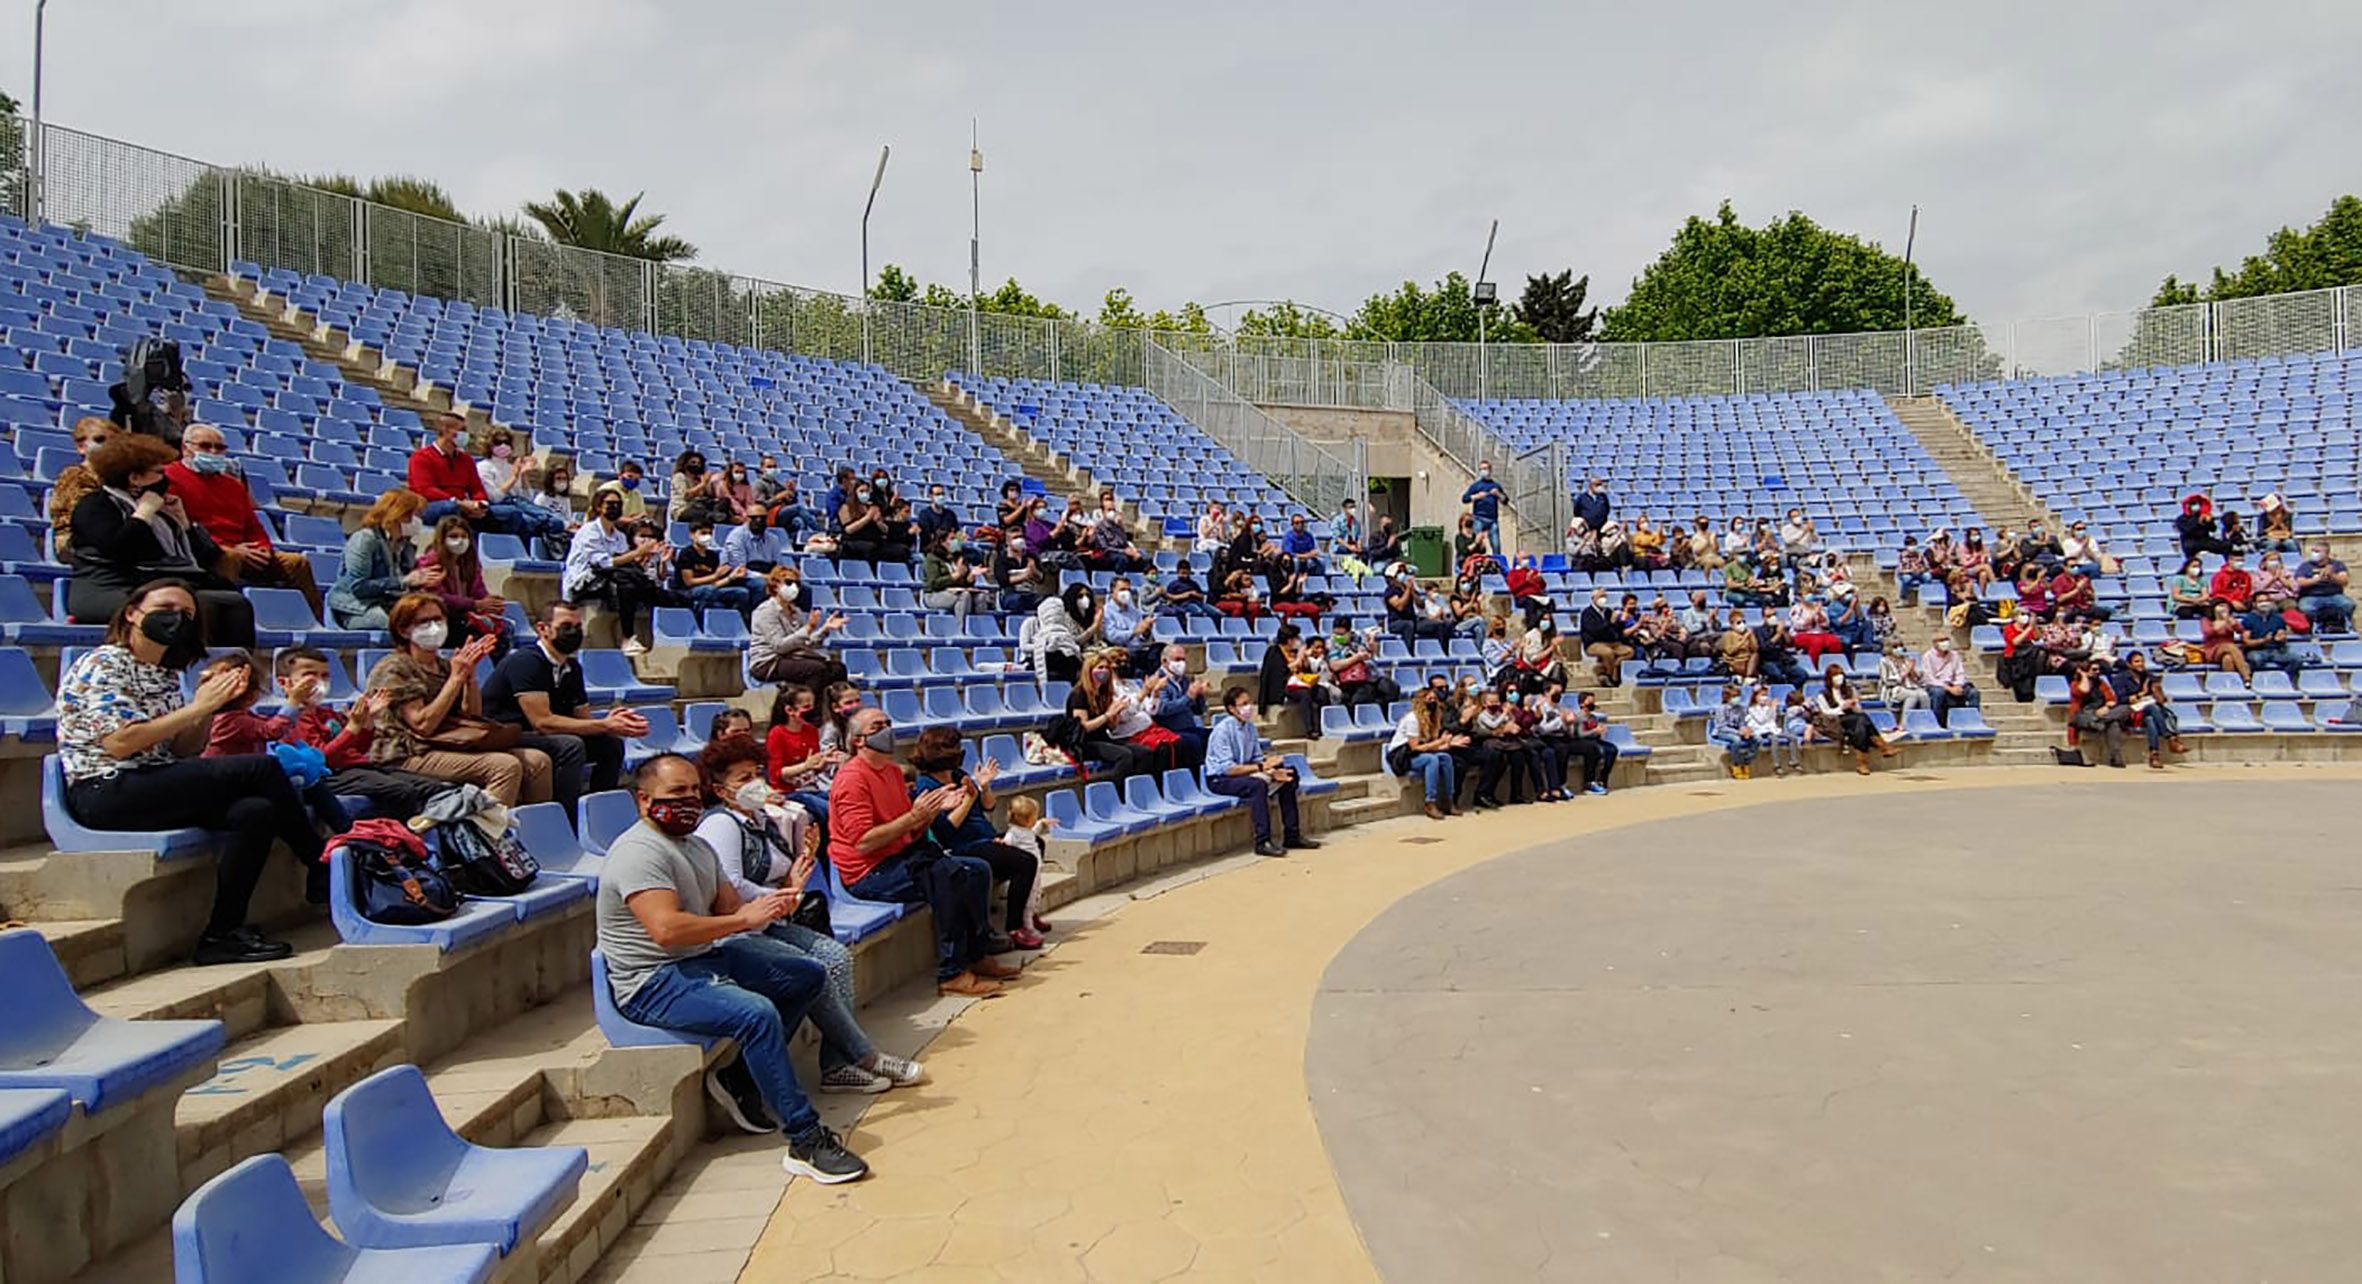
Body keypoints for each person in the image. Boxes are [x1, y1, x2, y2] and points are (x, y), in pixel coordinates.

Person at [596, 754, 869, 1181]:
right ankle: (805, 1139)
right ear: (644, 800)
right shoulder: (638, 853)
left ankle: (741, 1078)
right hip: (653, 980)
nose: (688, 800)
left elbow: (728, 906)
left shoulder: (698, 845)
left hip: (701, 957)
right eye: (675, 793)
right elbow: (666, 930)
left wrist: (785, 892)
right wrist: (744, 919)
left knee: (807, 974)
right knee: (756, 1013)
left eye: (692, 791)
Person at [56, 579, 326, 965]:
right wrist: (197, 709)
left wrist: (208, 706)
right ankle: (319, 862)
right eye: (166, 607)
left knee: (255, 812)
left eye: (186, 615)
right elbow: (120, 743)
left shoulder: (165, 672)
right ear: (133, 612)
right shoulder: (103, 663)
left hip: (154, 781)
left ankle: (222, 932)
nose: (176, 619)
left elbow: (183, 748)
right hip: (106, 787)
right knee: (261, 767)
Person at [687, 738, 927, 1096]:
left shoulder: (764, 820)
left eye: (757, 773)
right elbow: (732, 887)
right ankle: (864, 1056)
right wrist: (784, 894)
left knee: (836, 957)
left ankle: (837, 1066)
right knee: (812, 969)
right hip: (736, 930)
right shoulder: (721, 825)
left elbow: (781, 875)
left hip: (774, 921)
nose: (755, 783)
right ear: (721, 790)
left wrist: (798, 868)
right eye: (743, 778)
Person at [829, 708, 1018, 999]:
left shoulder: (892, 772)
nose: (887, 730)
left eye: (888, 723)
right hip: (869, 872)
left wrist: (930, 814)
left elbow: (912, 829)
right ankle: (952, 973)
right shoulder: (852, 780)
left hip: (902, 855)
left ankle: (976, 954)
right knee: (947, 876)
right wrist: (915, 816)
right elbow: (863, 843)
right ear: (858, 740)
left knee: (977, 870)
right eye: (878, 726)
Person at [63, 434, 255, 645]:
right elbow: (120, 549)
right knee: (197, 605)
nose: (166, 478)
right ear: (134, 478)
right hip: (107, 589)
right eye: (158, 472)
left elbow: (209, 557)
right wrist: (144, 512)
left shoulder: (162, 511)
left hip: (152, 586)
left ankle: (236, 670)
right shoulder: (96, 505)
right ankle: (190, 671)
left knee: (235, 603)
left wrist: (183, 522)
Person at [363, 593, 553, 806]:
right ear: (403, 630)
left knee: (538, 761)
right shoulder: (396, 668)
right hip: (406, 752)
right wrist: (456, 678)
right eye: (424, 622)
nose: (434, 627)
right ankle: (487, 835)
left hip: (444, 742)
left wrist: (469, 678)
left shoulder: (445, 665)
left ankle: (530, 831)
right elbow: (422, 725)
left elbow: (472, 716)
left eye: (438, 619)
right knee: (504, 766)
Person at [482, 600, 645, 816]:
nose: (574, 633)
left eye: (578, 628)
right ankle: (565, 817)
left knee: (610, 744)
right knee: (570, 746)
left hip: (540, 733)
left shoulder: (572, 667)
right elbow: (543, 723)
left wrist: (610, 723)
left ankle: (601, 812)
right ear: (543, 629)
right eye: (566, 626)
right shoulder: (527, 662)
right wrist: (603, 723)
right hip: (506, 732)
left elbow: (582, 719)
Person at [265, 645, 451, 819]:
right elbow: (321, 759)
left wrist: (367, 723)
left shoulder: (328, 714)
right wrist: (352, 728)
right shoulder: (293, 719)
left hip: (357, 768)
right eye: (310, 675)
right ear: (284, 682)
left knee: (433, 787)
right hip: (329, 775)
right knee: (401, 791)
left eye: (325, 676)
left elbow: (357, 749)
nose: (320, 682)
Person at [907, 727, 1044, 950]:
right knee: (1024, 861)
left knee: (1036, 843)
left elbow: (988, 806)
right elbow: (945, 831)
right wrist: (968, 799)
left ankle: (1030, 908)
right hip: (964, 846)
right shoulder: (927, 786)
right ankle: (1015, 926)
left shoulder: (959, 775)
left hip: (985, 837)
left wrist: (984, 786)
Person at [165, 423, 323, 616]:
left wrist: (262, 548)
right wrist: (228, 549)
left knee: (298, 563)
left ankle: (314, 622)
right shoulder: (169, 478)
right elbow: (181, 526)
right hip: (205, 550)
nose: (213, 452)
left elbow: (253, 525)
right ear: (185, 448)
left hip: (246, 551)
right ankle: (227, 623)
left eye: (220, 448)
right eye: (205, 446)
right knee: (229, 558)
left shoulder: (233, 485)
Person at [406, 412, 565, 542]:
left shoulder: (465, 460)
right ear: (447, 431)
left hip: (466, 506)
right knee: (451, 508)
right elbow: (425, 490)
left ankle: (514, 552)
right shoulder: (422, 457)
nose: (465, 434)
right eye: (461, 430)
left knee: (511, 513)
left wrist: (479, 503)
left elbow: (476, 488)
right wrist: (460, 503)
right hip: (434, 506)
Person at [1204, 686, 1317, 857]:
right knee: (1257, 786)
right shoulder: (1222, 732)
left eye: (1249, 702)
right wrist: (1262, 769)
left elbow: (1257, 758)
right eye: (1243, 704)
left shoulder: (1250, 727)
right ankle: (1262, 841)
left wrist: (1272, 770)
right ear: (1232, 709)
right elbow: (1228, 768)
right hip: (1220, 779)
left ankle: (1292, 835)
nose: (1248, 707)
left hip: (1245, 771)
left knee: (1289, 775)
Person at [566, 488, 670, 655]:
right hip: (585, 580)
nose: (614, 507)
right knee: (627, 583)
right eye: (610, 504)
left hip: (612, 576)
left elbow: (624, 562)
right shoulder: (589, 531)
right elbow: (604, 563)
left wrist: (645, 558)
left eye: (618, 504)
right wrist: (638, 552)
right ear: (599, 507)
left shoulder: (619, 536)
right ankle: (627, 637)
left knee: (640, 581)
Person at [415, 515, 511, 654]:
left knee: (502, 631)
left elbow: (479, 591)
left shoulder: (470, 562)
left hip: (466, 614)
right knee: (473, 633)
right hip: (444, 617)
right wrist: (474, 604)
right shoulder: (431, 561)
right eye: (453, 536)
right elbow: (437, 597)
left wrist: (489, 603)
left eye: (463, 536)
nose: (459, 541)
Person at [1064, 650, 1160, 780]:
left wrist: (1115, 715)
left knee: (1145, 752)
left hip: (1104, 737)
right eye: (1100, 668)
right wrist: (1107, 715)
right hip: (1084, 742)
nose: (1104, 671)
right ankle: (1117, 793)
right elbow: (1083, 727)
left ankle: (1137, 789)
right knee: (1124, 756)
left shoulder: (1104, 693)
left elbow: (1111, 727)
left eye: (1106, 668)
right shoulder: (1079, 694)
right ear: (1089, 670)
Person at [1387, 686, 1463, 820]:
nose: (1433, 702)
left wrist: (1447, 744)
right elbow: (1415, 747)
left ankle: (1449, 799)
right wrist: (1440, 742)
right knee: (1431, 760)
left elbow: (1429, 744)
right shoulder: (1412, 719)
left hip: (1418, 752)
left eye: (1434, 699)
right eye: (1430, 699)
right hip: (1401, 755)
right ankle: (1430, 802)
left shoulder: (1434, 718)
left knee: (1445, 758)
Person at [2107, 651, 2186, 770]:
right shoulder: (2121, 678)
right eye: (2137, 661)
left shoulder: (2148, 677)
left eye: (2142, 661)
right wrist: (2141, 694)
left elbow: (2161, 701)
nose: (2141, 664)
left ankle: (2154, 755)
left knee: (2150, 719)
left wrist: (2157, 691)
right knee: (2152, 708)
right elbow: (2122, 699)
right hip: (2130, 712)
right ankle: (2170, 738)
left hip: (2147, 712)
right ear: (2129, 664)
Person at [49, 415, 113, 558]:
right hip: (75, 543)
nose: (108, 445)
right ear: (81, 447)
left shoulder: (116, 478)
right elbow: (87, 519)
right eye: (100, 440)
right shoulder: (74, 475)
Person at [1813, 665, 1891, 775]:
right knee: (1862, 720)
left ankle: (1863, 764)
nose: (1839, 678)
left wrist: (1853, 705)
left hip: (1853, 718)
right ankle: (1883, 747)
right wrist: (1841, 708)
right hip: (1836, 721)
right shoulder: (1824, 694)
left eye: (1840, 675)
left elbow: (1859, 710)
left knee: (1860, 724)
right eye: (1835, 675)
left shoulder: (1850, 690)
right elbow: (1826, 712)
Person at [673, 520, 755, 621]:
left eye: (710, 533)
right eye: (703, 533)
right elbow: (689, 582)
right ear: (692, 535)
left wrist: (731, 577)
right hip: (687, 591)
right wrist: (715, 576)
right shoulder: (686, 554)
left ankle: (740, 622)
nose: (707, 536)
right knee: (708, 591)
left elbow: (715, 584)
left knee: (741, 593)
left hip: (711, 589)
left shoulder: (712, 556)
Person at [1145, 643, 1211, 765]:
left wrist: (1200, 695)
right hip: (1169, 729)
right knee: (1193, 741)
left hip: (1188, 727)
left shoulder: (1185, 680)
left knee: (1212, 735)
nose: (1182, 663)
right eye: (1177, 659)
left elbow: (1198, 710)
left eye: (1183, 660)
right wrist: (1188, 697)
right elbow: (1163, 709)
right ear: (1165, 661)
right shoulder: (1158, 680)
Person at [2065, 660, 2132, 769]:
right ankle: (2099, 720)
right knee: (2113, 720)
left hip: (2102, 714)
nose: (2098, 672)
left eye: (2098, 669)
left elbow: (2112, 699)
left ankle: (2116, 758)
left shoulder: (2101, 683)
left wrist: (2106, 707)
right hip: (2082, 716)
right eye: (2094, 670)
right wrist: (2083, 676)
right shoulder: (2075, 684)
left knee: (2118, 718)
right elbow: (2084, 691)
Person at [1032, 582, 1098, 684]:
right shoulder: (1065, 618)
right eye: (1080, 596)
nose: (1085, 599)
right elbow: (1076, 641)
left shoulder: (1093, 616)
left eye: (1087, 596)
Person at [920, 531, 992, 621]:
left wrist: (971, 576)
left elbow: (965, 583)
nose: (956, 542)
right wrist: (956, 575)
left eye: (956, 539)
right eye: (952, 539)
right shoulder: (932, 558)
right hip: (934, 595)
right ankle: (961, 628)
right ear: (942, 542)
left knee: (980, 596)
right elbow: (934, 583)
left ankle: (978, 628)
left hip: (956, 591)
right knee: (964, 596)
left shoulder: (960, 557)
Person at [1100, 574, 1160, 677]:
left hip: (1139, 650)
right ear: (1112, 591)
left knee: (1160, 650)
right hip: (1121, 651)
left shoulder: (1134, 612)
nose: (1126, 593)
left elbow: (1142, 637)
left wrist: (1146, 631)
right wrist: (1134, 632)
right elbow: (1112, 636)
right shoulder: (1106, 611)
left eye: (1128, 590)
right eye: (1122, 589)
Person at [1577, 590, 1634, 687]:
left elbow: (1616, 630)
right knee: (1608, 653)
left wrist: (1621, 621)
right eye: (1600, 596)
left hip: (1612, 642)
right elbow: (1594, 630)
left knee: (1629, 651)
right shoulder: (1587, 613)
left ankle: (1610, 669)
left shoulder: (1608, 611)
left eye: (1605, 596)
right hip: (1594, 643)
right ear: (1593, 598)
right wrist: (1610, 622)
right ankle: (1610, 676)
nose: (1603, 599)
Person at [2294, 542, 2354, 632]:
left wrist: (2332, 575)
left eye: (2317, 551)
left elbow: (2344, 581)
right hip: (2311, 596)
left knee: (2348, 604)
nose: (2314, 553)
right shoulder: (2305, 566)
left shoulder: (2337, 565)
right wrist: (2318, 579)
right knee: (2306, 608)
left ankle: (2345, 625)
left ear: (2326, 554)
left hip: (2334, 595)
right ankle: (2314, 626)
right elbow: (2300, 582)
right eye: (2313, 551)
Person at [1747, 683, 1799, 777]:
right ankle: (1777, 765)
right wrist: (1771, 708)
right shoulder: (1752, 709)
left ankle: (1793, 761)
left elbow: (1773, 719)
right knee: (1774, 740)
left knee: (1792, 737)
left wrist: (1773, 709)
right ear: (1756, 697)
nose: (1765, 698)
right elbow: (1761, 720)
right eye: (1762, 695)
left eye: (1766, 695)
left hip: (1773, 728)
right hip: (1762, 731)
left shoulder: (1768, 707)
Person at [1708, 682, 1758, 779]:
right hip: (1722, 732)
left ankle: (1745, 761)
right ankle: (1736, 765)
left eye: (1738, 696)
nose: (1737, 699)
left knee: (1757, 739)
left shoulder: (1741, 709)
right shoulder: (1721, 709)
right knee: (1736, 740)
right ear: (1727, 697)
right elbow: (1722, 726)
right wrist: (1738, 732)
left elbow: (1742, 723)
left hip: (1738, 731)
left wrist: (1746, 730)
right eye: (1734, 696)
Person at [1461, 461, 1506, 558]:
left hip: (1492, 519)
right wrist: (1477, 496)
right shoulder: (1476, 486)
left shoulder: (1496, 486)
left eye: (1485, 469)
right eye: (1481, 469)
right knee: (1478, 542)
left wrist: (1498, 494)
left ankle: (1497, 563)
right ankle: (1476, 561)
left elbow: (1505, 501)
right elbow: (1464, 499)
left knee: (1496, 544)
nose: (1483, 471)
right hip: (1479, 518)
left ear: (1490, 470)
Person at [2199, 602, 2252, 681]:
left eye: (2226, 607)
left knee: (2228, 659)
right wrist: (2222, 622)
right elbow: (2208, 632)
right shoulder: (2206, 620)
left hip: (2230, 651)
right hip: (2213, 649)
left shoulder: (2230, 619)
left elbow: (2241, 631)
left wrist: (2233, 624)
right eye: (2221, 605)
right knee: (2230, 646)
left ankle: (2231, 684)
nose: (2224, 608)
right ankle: (2246, 676)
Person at [1879, 643, 1931, 720]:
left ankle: (1925, 720)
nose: (1899, 649)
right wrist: (1906, 671)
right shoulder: (1884, 661)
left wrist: (1912, 671)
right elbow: (1887, 681)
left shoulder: (1907, 659)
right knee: (1912, 695)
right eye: (1895, 647)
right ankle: (1904, 723)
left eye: (1901, 646)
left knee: (1924, 695)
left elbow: (1917, 679)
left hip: (1911, 686)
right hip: (1893, 688)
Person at [2175, 493, 2231, 561]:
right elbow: (2187, 530)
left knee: (2227, 546)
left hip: (2205, 540)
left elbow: (2213, 529)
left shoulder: (2204, 516)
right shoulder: (2181, 519)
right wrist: (2197, 521)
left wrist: (2209, 521)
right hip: (2190, 543)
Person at [476, 427, 523, 502]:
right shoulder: (483, 467)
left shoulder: (512, 468)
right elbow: (494, 497)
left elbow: (526, 497)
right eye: (498, 443)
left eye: (507, 442)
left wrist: (524, 474)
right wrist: (514, 477)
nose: (503, 446)